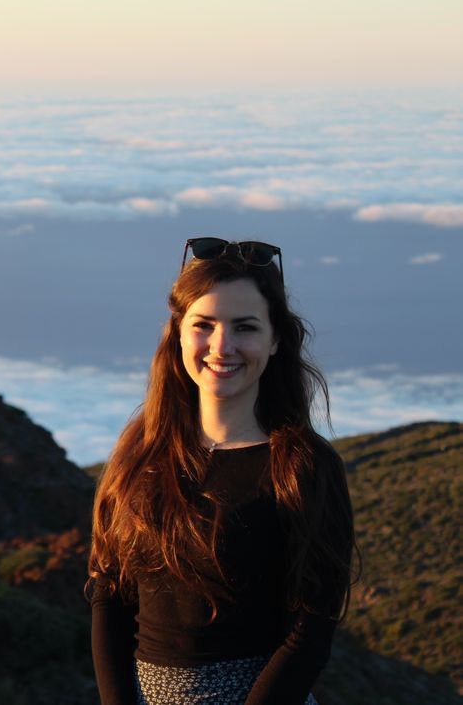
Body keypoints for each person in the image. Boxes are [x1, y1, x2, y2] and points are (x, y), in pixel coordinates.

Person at [88, 238, 355, 705]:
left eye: (245, 327)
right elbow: (108, 592)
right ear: (178, 334)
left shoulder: (301, 466)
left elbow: (312, 626)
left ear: (275, 341)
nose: (222, 346)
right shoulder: (140, 452)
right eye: (204, 325)